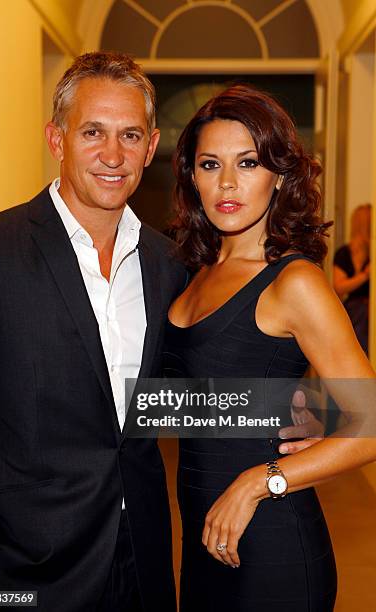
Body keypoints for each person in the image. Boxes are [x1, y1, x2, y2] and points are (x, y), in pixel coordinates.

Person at [0, 52, 187, 612]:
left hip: (144, 565)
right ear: (57, 139)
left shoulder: (170, 265)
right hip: (22, 573)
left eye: (130, 135)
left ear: (151, 144)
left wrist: (326, 414)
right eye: (93, 132)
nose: (113, 156)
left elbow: (175, 404)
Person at [165, 85, 376, 611]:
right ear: (192, 176)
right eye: (210, 164)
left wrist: (260, 482)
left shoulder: (294, 281)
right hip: (200, 536)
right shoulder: (191, 272)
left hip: (271, 544)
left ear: (279, 175)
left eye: (249, 162)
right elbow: (202, 398)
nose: (228, 182)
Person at [333, 204, 371, 354]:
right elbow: (339, 287)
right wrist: (365, 275)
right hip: (357, 310)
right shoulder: (344, 253)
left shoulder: (373, 253)